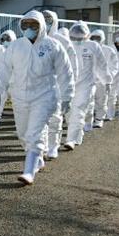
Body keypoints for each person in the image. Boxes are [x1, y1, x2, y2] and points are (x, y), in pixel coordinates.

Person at [0, 11, 73, 185]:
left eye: (34, 25)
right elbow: (3, 71)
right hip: (20, 97)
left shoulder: (53, 46)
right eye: (26, 25)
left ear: (42, 26)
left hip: (44, 97)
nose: (29, 29)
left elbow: (65, 73)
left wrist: (67, 96)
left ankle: (29, 171)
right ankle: (38, 158)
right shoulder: (16, 46)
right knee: (23, 133)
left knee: (34, 133)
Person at [63, 22, 111, 150]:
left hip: (86, 84)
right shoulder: (66, 45)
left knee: (78, 110)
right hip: (69, 83)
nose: (77, 39)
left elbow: (102, 64)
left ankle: (71, 139)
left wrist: (107, 80)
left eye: (80, 37)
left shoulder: (93, 46)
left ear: (87, 35)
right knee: (68, 112)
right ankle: (77, 134)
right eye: (75, 36)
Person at [41, 10, 78, 160]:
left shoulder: (62, 41)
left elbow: (72, 66)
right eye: (44, 20)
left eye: (49, 20)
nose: (46, 23)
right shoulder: (34, 40)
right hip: (38, 87)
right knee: (39, 119)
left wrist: (70, 88)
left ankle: (53, 146)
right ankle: (41, 146)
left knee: (55, 118)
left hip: (57, 86)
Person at [87, 30, 117, 129]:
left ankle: (99, 119)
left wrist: (108, 78)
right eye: (93, 38)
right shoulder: (87, 48)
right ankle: (88, 121)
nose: (95, 40)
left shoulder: (109, 51)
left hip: (102, 82)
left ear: (102, 39)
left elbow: (114, 66)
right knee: (88, 102)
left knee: (101, 101)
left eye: (98, 38)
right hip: (89, 81)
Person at [0, 30, 16, 127]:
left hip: (16, 84)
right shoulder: (1, 51)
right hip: (4, 82)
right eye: (3, 39)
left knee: (19, 105)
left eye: (8, 39)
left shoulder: (19, 51)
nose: (5, 41)